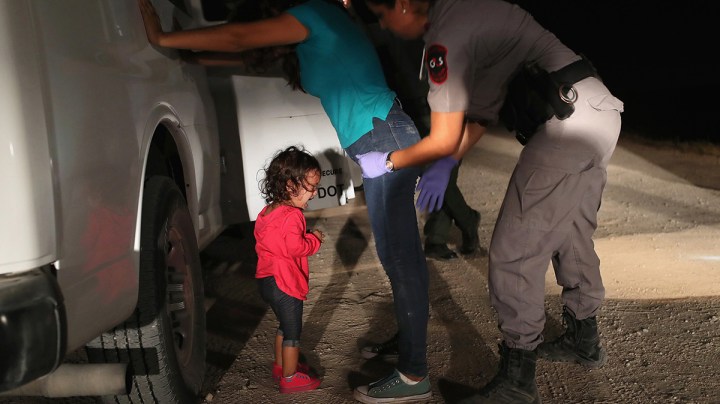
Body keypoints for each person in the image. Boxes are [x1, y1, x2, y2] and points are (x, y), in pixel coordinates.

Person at [137, 1, 433, 402]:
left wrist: (163, 37)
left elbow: (241, 38)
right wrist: (188, 54)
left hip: (386, 138)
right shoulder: (310, 38)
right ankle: (410, 341)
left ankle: (415, 374)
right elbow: (247, 54)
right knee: (397, 256)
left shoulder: (316, 13)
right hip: (376, 143)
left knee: (401, 258)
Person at [357, 0, 624, 402]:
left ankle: (517, 383)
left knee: (515, 252)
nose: (385, 25)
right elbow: (481, 113)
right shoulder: (472, 11)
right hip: (598, 113)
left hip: (566, 125)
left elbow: (445, 135)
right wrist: (449, 163)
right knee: (570, 233)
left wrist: (391, 161)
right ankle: (582, 339)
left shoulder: (446, 35)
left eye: (381, 15)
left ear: (403, 4)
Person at [254, 146, 324, 393]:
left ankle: (280, 366)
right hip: (285, 283)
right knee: (293, 331)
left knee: (283, 325)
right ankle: (290, 378)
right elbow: (296, 248)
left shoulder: (267, 212)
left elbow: (273, 241)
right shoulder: (293, 216)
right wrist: (313, 239)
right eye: (311, 187)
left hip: (266, 280)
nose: (314, 193)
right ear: (290, 186)